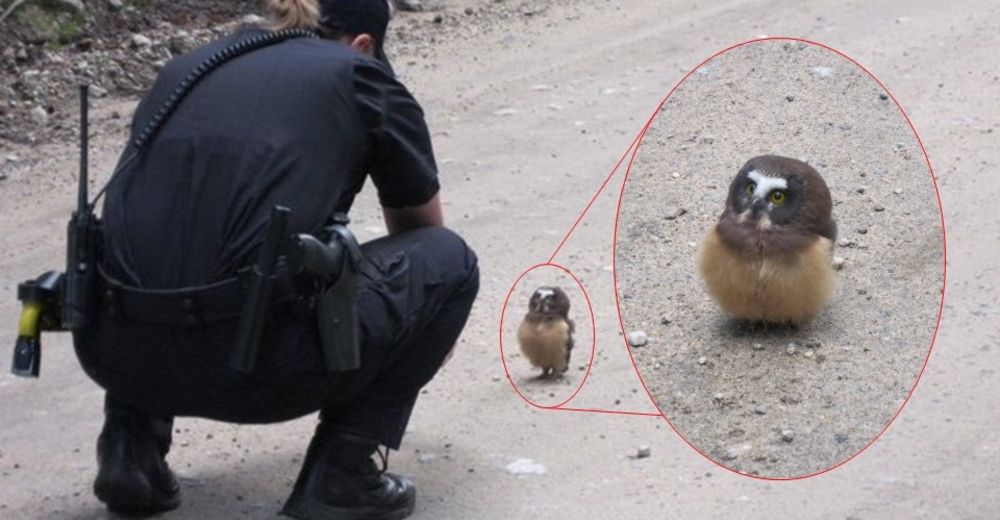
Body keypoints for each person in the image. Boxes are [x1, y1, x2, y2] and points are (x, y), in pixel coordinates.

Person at [72, 1, 479, 519]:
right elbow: (422, 231)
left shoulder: (185, 69)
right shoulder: (360, 75)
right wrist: (422, 333)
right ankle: (343, 475)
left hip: (115, 353)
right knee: (450, 262)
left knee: (172, 243)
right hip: (258, 368)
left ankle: (131, 452)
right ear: (363, 45)